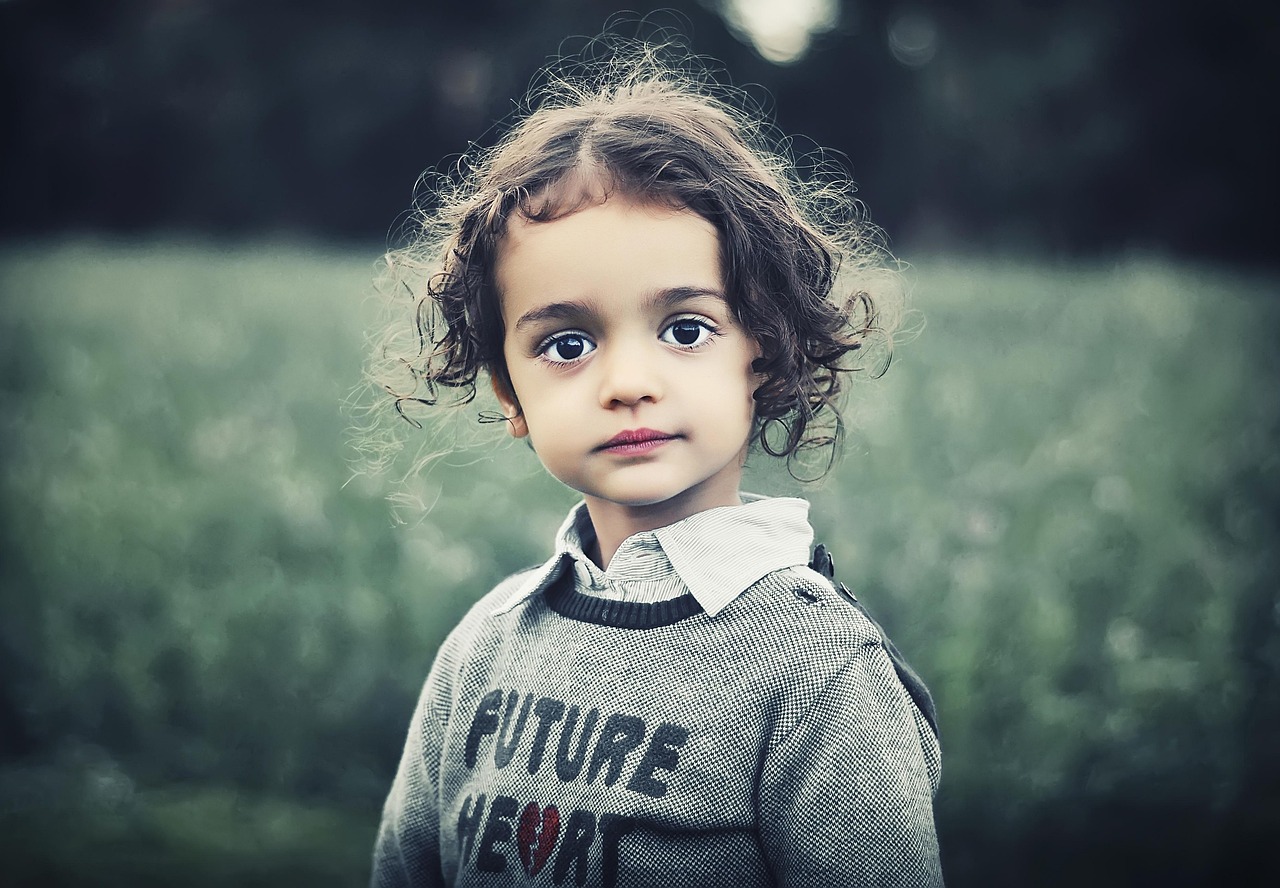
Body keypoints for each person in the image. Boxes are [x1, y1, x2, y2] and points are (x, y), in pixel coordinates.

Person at [366, 36, 942, 888]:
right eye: (566, 343)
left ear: (764, 349)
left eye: (685, 329)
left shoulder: (815, 667)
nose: (629, 384)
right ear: (509, 395)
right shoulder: (485, 646)